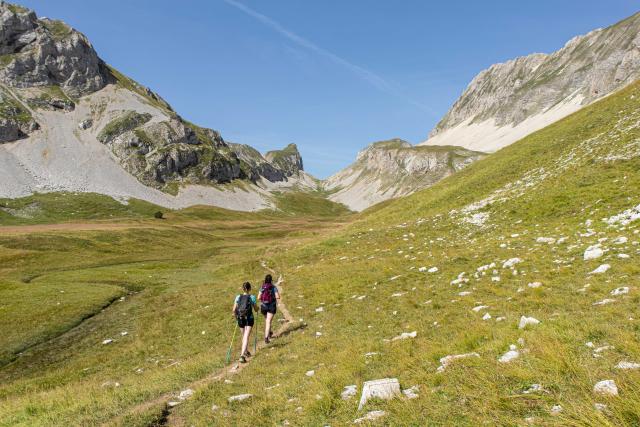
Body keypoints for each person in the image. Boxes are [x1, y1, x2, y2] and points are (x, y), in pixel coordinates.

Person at [232, 282, 258, 363]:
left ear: (242, 288)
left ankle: (246, 351)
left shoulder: (238, 297)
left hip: (240, 318)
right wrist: (258, 308)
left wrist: (236, 317)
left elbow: (234, 310)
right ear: (249, 289)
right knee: (246, 336)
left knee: (243, 336)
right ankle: (242, 355)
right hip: (249, 318)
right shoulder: (252, 297)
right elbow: (256, 309)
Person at [258, 274, 280, 344]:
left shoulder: (262, 287)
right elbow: (277, 297)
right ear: (271, 280)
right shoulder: (273, 287)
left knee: (267, 320)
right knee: (268, 321)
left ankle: (269, 332)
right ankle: (266, 337)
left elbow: (258, 297)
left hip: (263, 306)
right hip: (271, 306)